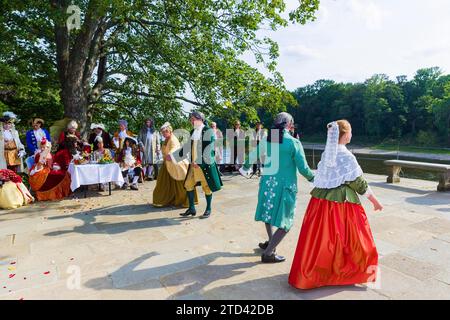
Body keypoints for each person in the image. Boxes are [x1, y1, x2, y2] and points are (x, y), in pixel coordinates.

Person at [288, 120, 383, 290]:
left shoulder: (328, 154)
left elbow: (322, 179)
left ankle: (316, 272)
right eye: (351, 131)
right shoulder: (346, 156)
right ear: (345, 134)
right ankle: (348, 272)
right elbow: (358, 182)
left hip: (320, 203)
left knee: (321, 239)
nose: (352, 134)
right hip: (341, 205)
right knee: (353, 239)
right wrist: (375, 201)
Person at [239, 112, 314, 263]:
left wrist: (245, 167)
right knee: (286, 222)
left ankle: (271, 242)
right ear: (288, 124)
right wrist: (314, 179)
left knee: (268, 214)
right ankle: (268, 253)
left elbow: (252, 156)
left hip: (267, 184)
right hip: (285, 187)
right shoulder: (293, 143)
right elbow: (303, 168)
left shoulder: (268, 140)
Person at [166, 111, 223, 219]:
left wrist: (200, 161)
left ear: (200, 119)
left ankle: (208, 209)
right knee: (188, 184)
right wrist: (174, 157)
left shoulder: (208, 131)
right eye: (191, 119)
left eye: (193, 119)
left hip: (204, 165)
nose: (191, 121)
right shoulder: (193, 131)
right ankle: (192, 209)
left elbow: (209, 149)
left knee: (206, 187)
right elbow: (187, 147)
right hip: (193, 165)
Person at [153, 122, 198, 207]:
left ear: (169, 131)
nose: (163, 133)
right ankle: (166, 199)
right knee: (164, 183)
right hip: (167, 164)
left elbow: (174, 148)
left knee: (180, 183)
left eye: (165, 132)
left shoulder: (173, 139)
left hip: (176, 164)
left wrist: (170, 155)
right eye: (162, 132)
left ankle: (187, 200)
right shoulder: (166, 139)